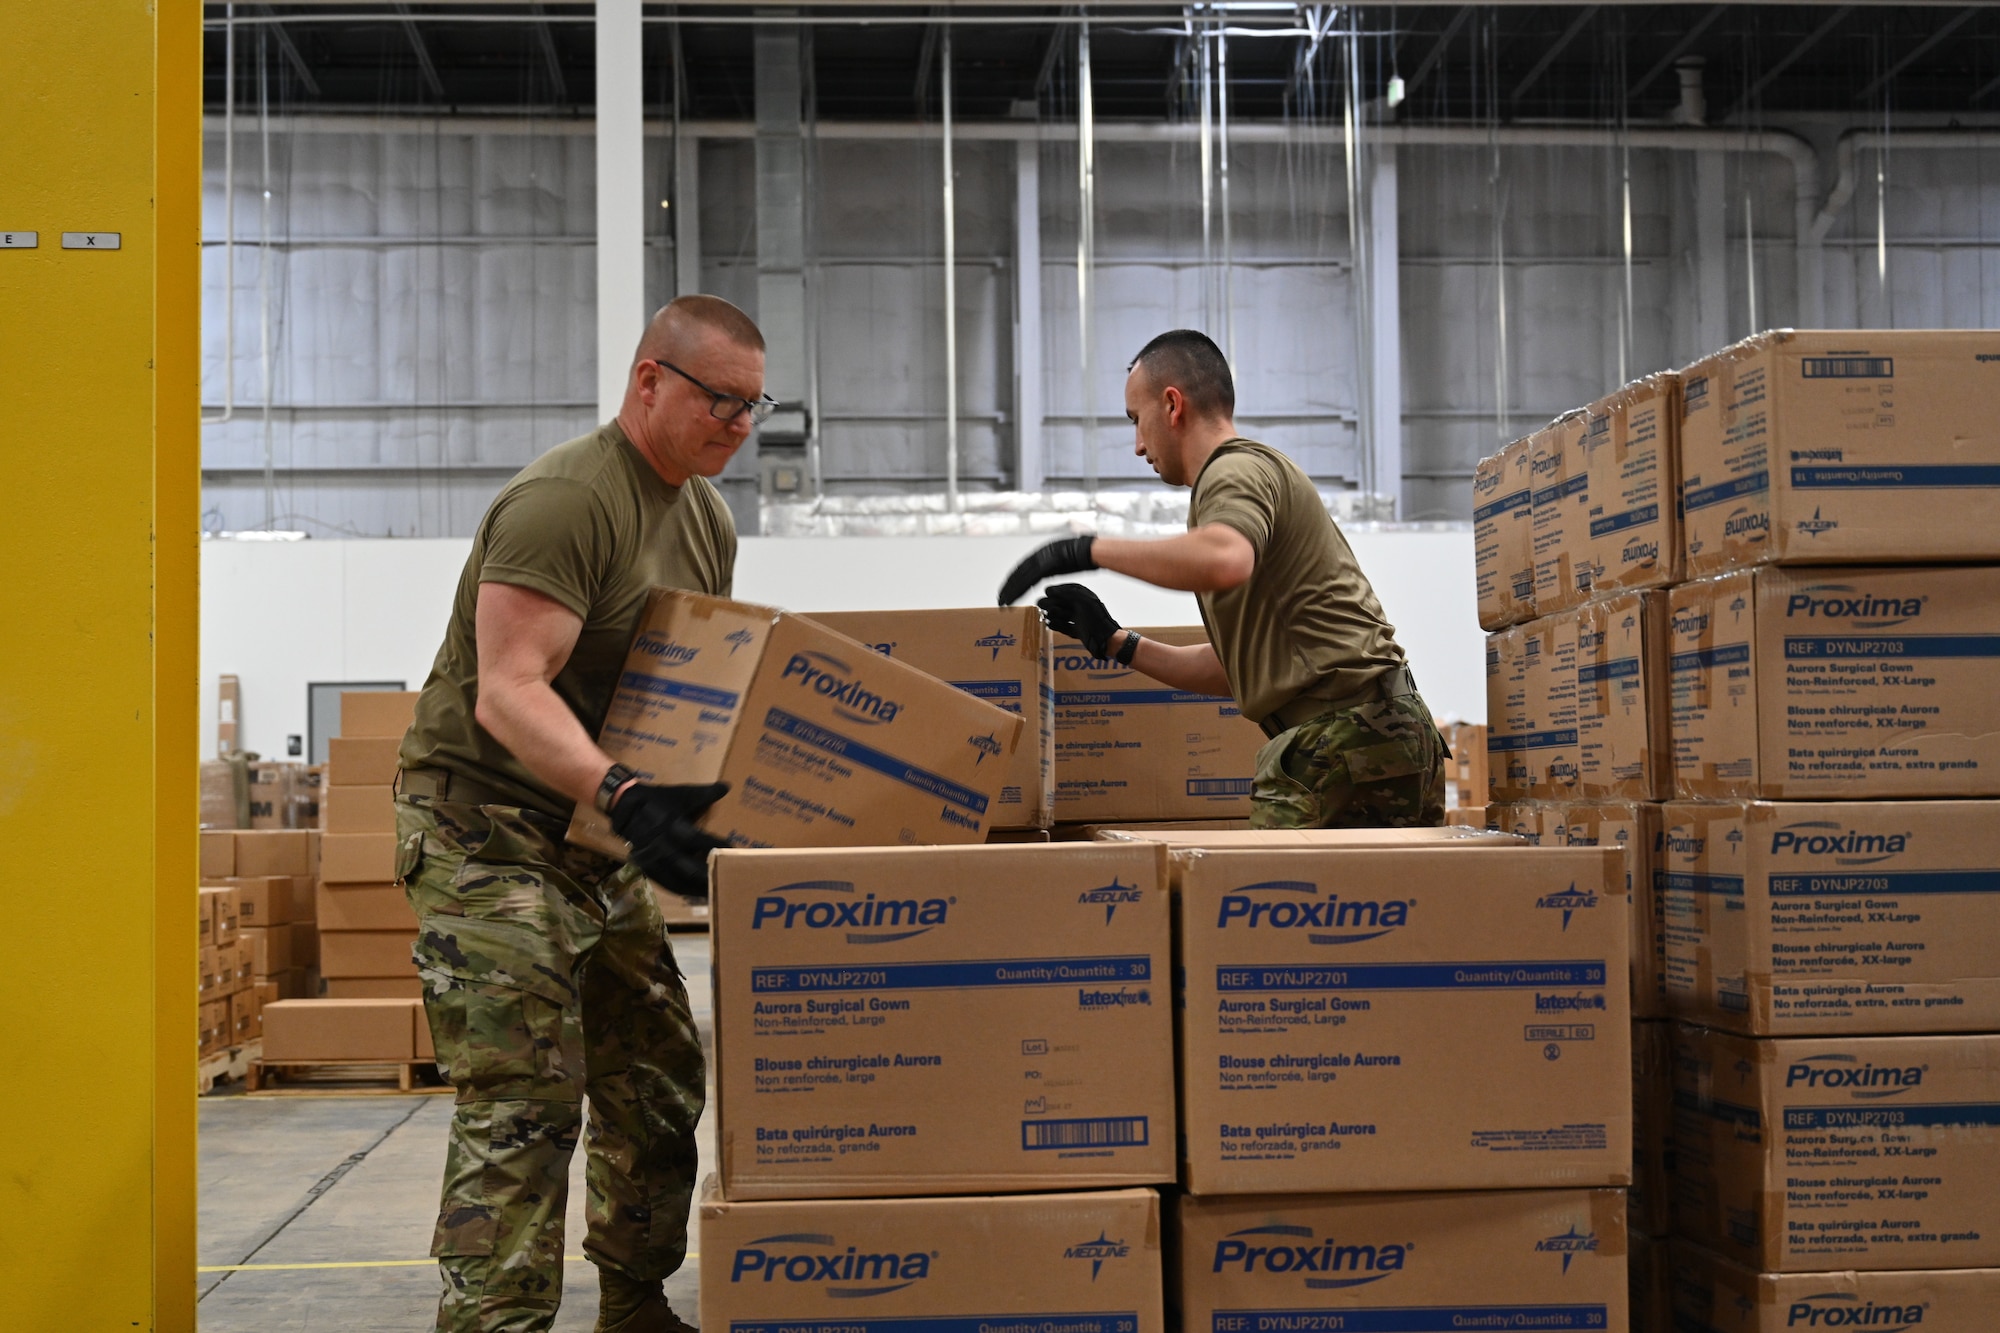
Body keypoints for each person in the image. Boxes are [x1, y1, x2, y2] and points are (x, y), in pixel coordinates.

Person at [394, 295, 775, 1333]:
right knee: (525, 1092)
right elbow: (507, 689)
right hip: (482, 820)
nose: (738, 426)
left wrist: (694, 805)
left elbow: (680, 682)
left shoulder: (705, 519)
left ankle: (634, 1302)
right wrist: (623, 793)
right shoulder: (566, 500)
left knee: (655, 1071)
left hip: (588, 827)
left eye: (754, 406)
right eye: (719, 401)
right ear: (648, 380)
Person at [998, 328, 1446, 829]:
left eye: (1136, 420)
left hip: (1343, 741)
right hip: (1379, 732)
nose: (1138, 445)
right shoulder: (1252, 475)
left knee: (1273, 902)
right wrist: (1116, 643)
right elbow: (1238, 666)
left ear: (1172, 405)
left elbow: (1225, 560)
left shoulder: (1231, 472)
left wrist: (1083, 550)